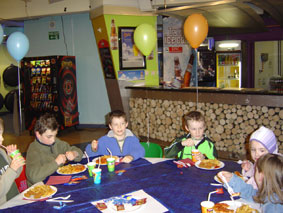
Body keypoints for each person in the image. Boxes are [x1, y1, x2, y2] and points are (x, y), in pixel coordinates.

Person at [26, 113, 83, 186]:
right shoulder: (33, 150)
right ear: (38, 135)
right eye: (49, 137)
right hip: (41, 188)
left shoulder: (56, 142)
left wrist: (74, 154)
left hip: (58, 182)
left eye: (55, 135)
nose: (53, 140)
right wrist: (56, 163)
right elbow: (33, 177)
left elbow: (79, 152)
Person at [218, 153, 283, 213]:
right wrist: (232, 180)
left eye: (255, 170)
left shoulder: (274, 208)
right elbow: (251, 193)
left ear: (261, 176)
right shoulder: (271, 194)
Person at [0, 118, 25, 205]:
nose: (2, 139)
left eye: (1, 134)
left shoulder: (1, 152)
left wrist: (14, 158)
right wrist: (12, 169)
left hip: (15, 200)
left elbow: (16, 174)